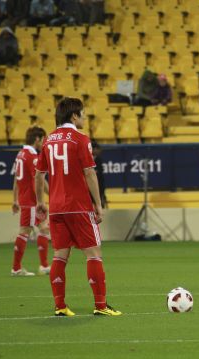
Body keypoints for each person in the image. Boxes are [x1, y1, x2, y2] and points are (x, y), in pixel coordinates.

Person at [35, 97, 121, 317]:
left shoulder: (48, 141)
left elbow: (39, 175)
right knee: (93, 254)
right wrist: (98, 204)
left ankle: (60, 306)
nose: (84, 117)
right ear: (74, 116)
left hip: (56, 207)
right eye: (82, 114)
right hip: (79, 206)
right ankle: (101, 306)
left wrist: (40, 202)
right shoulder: (80, 139)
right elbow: (90, 172)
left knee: (60, 256)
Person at [11, 126, 51, 277]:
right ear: (37, 139)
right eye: (42, 140)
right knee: (25, 231)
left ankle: (44, 266)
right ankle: (16, 268)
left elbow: (16, 178)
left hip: (25, 199)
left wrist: (15, 199)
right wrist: (49, 196)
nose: (43, 143)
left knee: (44, 228)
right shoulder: (32, 156)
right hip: (31, 201)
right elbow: (38, 179)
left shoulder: (21, 154)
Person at [91, 139, 107, 208]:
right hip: (90, 185)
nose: (99, 151)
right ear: (93, 149)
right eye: (98, 149)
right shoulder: (88, 158)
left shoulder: (99, 159)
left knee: (99, 203)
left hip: (99, 185)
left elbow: (100, 173)